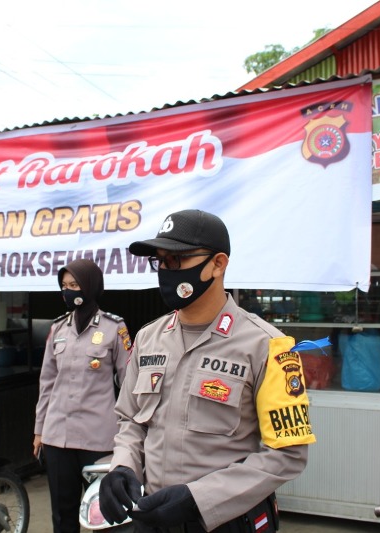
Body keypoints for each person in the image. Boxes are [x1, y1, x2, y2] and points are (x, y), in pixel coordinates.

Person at [99, 209, 316, 532]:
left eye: (178, 260)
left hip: (225, 522)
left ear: (218, 264)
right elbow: (131, 420)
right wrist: (122, 468)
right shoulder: (148, 338)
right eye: (161, 261)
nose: (167, 271)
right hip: (153, 517)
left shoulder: (268, 346)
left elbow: (287, 454)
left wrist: (198, 498)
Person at [33, 258, 133, 533]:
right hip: (57, 437)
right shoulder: (57, 329)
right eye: (64, 286)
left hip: (98, 438)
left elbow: (128, 384)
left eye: (74, 285)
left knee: (105, 515)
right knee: (62, 516)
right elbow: (47, 383)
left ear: (90, 286)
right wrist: (39, 430)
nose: (69, 292)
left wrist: (130, 435)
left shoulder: (115, 328)